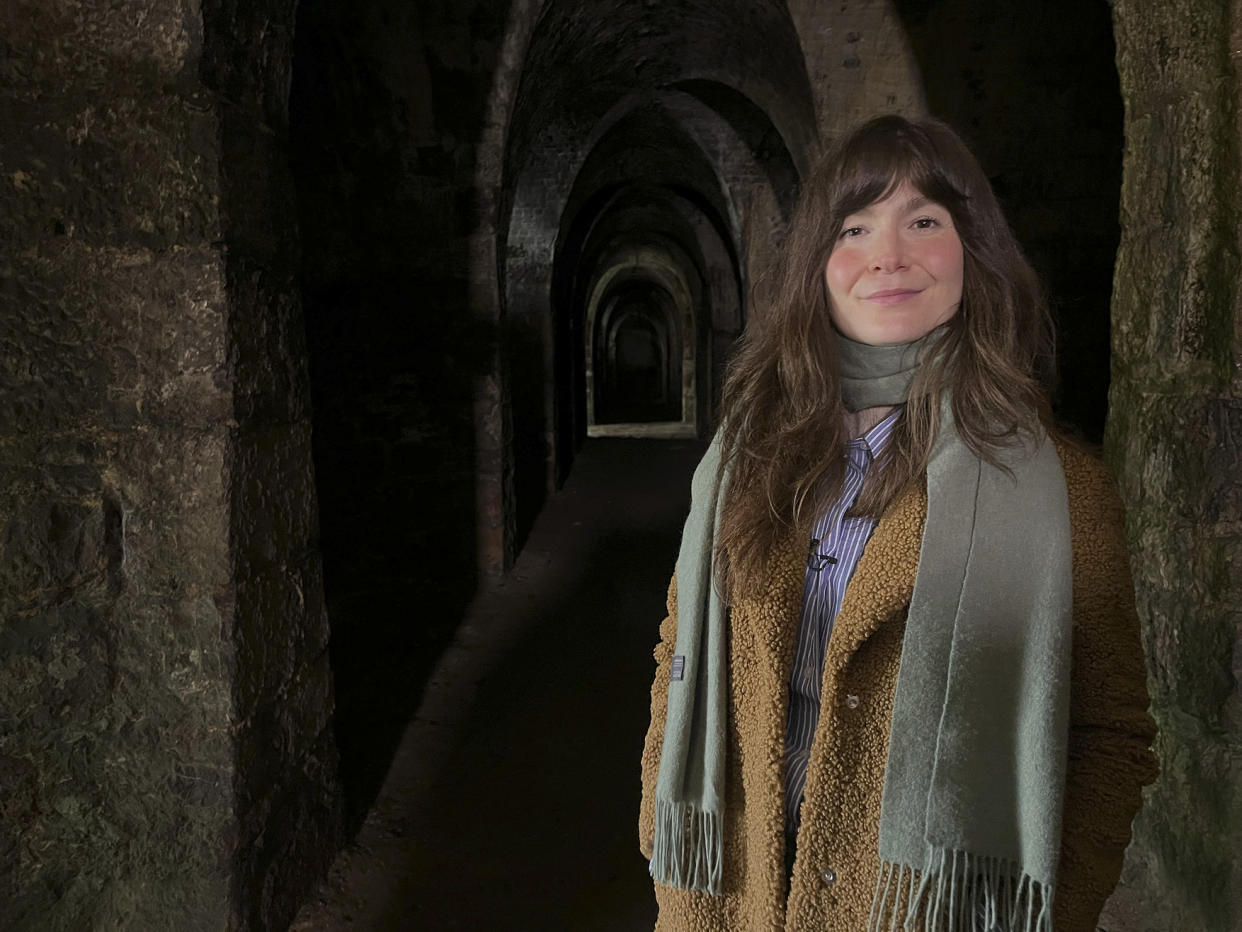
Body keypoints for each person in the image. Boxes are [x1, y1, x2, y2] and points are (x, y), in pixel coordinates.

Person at [638, 115, 1158, 932]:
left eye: (923, 221)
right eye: (855, 227)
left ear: (972, 251)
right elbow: (681, 650)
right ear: (818, 265)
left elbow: (1110, 733)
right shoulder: (746, 461)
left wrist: (1053, 909)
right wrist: (664, 845)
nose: (888, 254)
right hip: (729, 901)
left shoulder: (1062, 493)